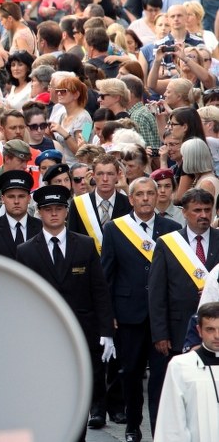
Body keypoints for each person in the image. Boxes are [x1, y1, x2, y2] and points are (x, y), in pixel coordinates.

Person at [17, 184, 115, 437]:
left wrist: (106, 332)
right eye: (48, 209)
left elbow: (99, 290)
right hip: (43, 337)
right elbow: (23, 299)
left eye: (59, 208)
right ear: (39, 212)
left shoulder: (84, 245)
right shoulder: (26, 251)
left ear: (66, 211)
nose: (54, 214)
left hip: (82, 332)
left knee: (79, 394)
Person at [101, 177, 182, 442]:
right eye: (140, 194)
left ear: (157, 196)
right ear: (131, 199)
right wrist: (109, 315)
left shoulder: (171, 228)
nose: (146, 198)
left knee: (160, 377)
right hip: (128, 315)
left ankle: (159, 429)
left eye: (150, 193)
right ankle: (132, 426)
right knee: (131, 374)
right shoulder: (114, 229)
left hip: (162, 317)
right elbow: (107, 275)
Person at [148, 188, 219, 431]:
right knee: (171, 388)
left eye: (207, 210)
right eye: (197, 210)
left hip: (214, 331)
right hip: (176, 330)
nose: (203, 215)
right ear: (185, 212)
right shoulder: (168, 243)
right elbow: (157, 292)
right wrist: (160, 333)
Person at [153, 301, 219, 442]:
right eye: (210, 329)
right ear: (199, 330)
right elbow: (171, 423)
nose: (217, 336)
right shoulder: (181, 366)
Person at [67, 153, 132, 254]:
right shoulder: (79, 203)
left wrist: (127, 188)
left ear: (118, 175)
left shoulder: (128, 203)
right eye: (100, 174)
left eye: (110, 174)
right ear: (93, 175)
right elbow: (72, 240)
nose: (105, 179)